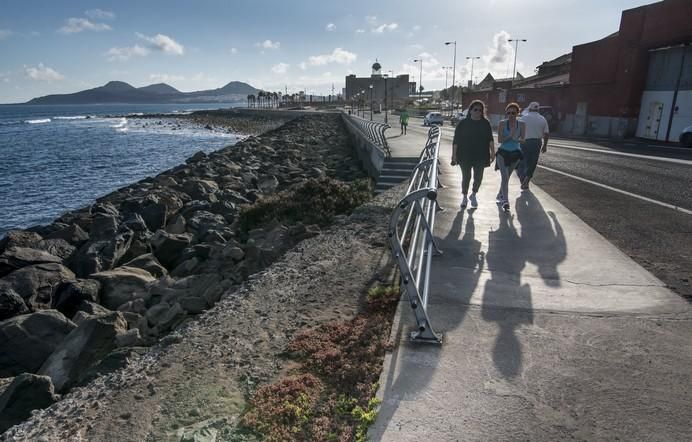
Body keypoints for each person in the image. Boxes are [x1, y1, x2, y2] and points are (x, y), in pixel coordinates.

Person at [451, 100, 495, 209]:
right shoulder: (463, 123)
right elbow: (456, 140)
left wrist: (493, 152)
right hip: (464, 155)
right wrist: (454, 155)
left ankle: (473, 194)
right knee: (466, 177)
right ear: (470, 110)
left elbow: (490, 139)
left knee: (478, 177)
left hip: (481, 155)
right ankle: (465, 197)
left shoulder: (485, 124)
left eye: (480, 110)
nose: (478, 112)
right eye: (475, 109)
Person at [495, 102, 525, 212]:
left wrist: (517, 139)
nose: (511, 115)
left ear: (517, 113)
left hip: (515, 153)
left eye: (513, 112)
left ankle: (500, 194)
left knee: (507, 177)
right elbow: (499, 140)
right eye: (508, 112)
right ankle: (505, 201)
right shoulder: (502, 123)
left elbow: (523, 139)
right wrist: (510, 136)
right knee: (504, 176)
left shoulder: (521, 124)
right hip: (503, 153)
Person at [517, 101, 549, 190]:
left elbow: (518, 131)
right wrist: (545, 145)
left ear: (529, 108)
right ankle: (527, 179)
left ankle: (522, 178)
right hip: (537, 142)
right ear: (538, 109)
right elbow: (546, 133)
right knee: (533, 162)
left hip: (524, 142)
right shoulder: (543, 119)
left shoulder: (524, 118)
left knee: (522, 162)